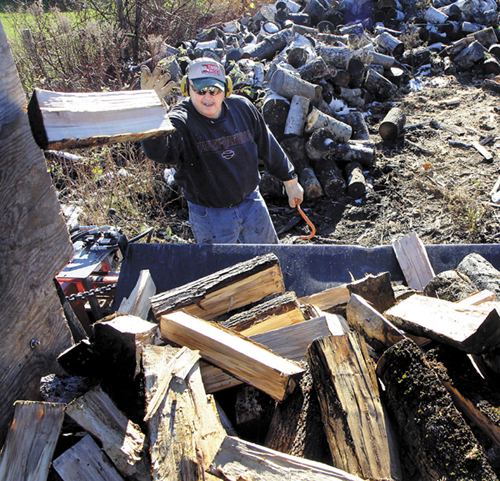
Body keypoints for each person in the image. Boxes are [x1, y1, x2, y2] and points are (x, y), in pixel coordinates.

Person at [140, 56, 304, 244]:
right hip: (210, 215)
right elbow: (159, 153)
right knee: (222, 269)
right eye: (200, 90)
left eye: (214, 90)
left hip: (252, 204)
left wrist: (290, 180)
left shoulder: (242, 108)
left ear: (226, 88)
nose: (207, 97)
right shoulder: (180, 120)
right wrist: (150, 115)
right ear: (187, 88)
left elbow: (267, 145)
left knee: (269, 259)